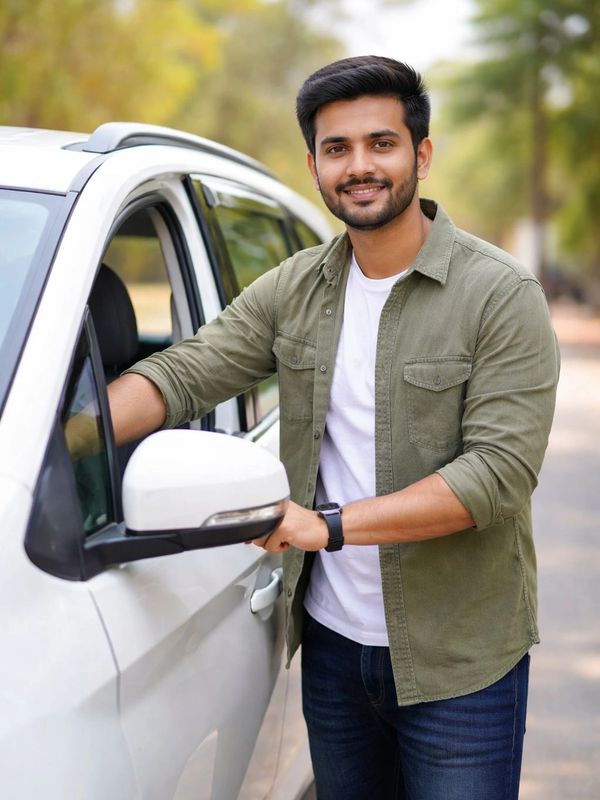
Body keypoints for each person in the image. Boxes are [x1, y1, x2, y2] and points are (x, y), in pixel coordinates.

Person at [109, 56, 560, 799]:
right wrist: (67, 440)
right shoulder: (296, 287)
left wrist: (328, 526)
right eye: (337, 149)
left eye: (381, 144)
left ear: (421, 154)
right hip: (330, 650)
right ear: (316, 166)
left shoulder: (500, 294)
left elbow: (497, 475)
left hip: (461, 663)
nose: (360, 166)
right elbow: (184, 374)